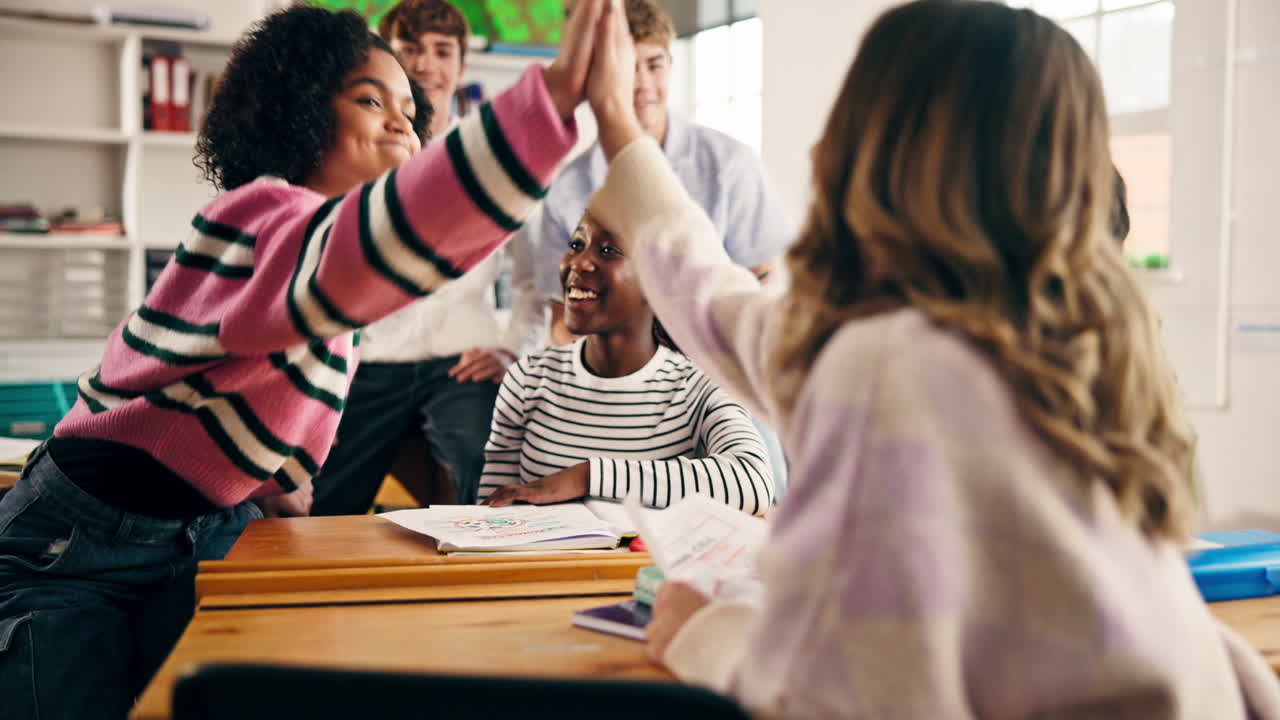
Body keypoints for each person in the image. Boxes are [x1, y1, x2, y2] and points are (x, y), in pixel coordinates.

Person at [581, 0, 1280, 716]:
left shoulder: (890, 367)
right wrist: (618, 123)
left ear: (871, 149)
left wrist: (707, 636)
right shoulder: (1080, 343)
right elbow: (726, 311)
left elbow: (859, 701)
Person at [0, 1, 622, 716]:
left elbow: (281, 388)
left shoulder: (329, 287)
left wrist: (279, 480)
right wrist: (554, 98)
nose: (402, 125)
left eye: (411, 113)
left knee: (224, 686)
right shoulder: (256, 215)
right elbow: (389, 241)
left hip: (206, 523)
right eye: (370, 101)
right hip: (80, 540)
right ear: (297, 110)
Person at [311, 0, 548, 513]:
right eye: (410, 49)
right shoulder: (354, 154)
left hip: (461, 364)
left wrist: (512, 351)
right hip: (367, 362)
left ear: (462, 66)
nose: (425, 65)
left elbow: (536, 279)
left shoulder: (495, 155)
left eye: (443, 52)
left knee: (490, 478)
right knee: (320, 500)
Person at [520, 0, 791, 346]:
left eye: (654, 65)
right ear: (597, 75)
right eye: (628, 68)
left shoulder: (731, 165)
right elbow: (562, 321)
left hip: (713, 360)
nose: (643, 83)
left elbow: (763, 283)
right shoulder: (567, 188)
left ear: (671, 64)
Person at [480, 213, 774, 514]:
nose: (578, 263)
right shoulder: (526, 378)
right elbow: (489, 513)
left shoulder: (700, 385)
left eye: (609, 250)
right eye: (577, 244)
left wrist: (588, 477)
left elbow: (752, 483)